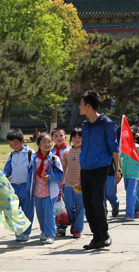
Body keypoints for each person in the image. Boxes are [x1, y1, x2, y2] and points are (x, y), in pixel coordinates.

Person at [79, 90, 120, 250]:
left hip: (100, 168)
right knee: (87, 203)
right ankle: (96, 237)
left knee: (97, 200)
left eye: (81, 104)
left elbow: (113, 147)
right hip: (86, 169)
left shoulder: (106, 123)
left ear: (88, 106)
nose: (79, 107)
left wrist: (118, 169)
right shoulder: (85, 125)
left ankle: (105, 234)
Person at [29, 132, 64, 245]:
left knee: (49, 213)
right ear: (38, 144)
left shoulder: (54, 159)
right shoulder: (34, 158)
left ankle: (50, 234)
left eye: (49, 142)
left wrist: (50, 177)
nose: (47, 144)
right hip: (37, 191)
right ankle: (44, 231)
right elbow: (29, 173)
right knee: (40, 213)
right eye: (44, 142)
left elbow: (60, 174)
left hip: (50, 191)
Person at [3, 128, 34, 242]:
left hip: (26, 187)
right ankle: (18, 231)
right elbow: (7, 170)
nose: (13, 146)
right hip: (14, 187)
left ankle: (26, 233)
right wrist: (2, 177)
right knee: (14, 211)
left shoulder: (31, 153)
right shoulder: (11, 155)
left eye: (15, 143)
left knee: (27, 211)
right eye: (11, 144)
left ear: (23, 141)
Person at [62, 128, 85, 238]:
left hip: (81, 185)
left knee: (80, 207)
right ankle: (72, 223)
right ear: (71, 139)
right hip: (68, 184)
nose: (77, 139)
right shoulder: (66, 152)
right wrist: (60, 183)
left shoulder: (86, 151)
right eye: (74, 137)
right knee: (69, 206)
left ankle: (77, 229)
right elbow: (63, 168)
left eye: (79, 137)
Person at [51, 128, 70, 237]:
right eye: (56, 136)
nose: (58, 138)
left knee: (67, 204)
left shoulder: (69, 150)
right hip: (56, 183)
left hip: (68, 181)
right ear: (52, 138)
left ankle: (70, 222)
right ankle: (60, 226)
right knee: (58, 205)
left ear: (65, 137)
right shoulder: (51, 152)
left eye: (61, 135)